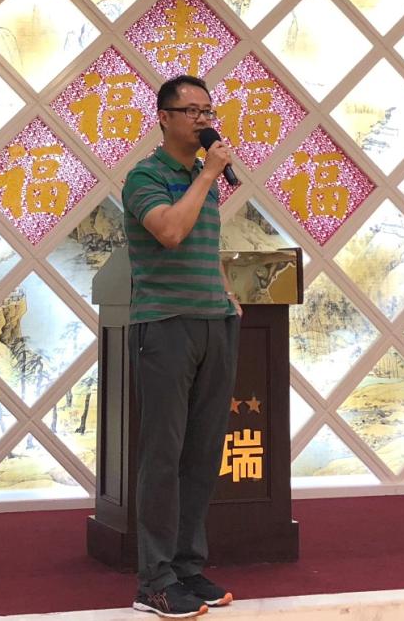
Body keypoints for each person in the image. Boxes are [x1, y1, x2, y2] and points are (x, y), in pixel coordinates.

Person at [121, 74, 243, 618]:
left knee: (202, 453)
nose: (202, 119)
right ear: (164, 118)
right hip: (166, 324)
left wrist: (224, 288)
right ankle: (154, 580)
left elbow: (201, 241)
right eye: (191, 110)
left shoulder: (201, 178)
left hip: (214, 322)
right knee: (163, 455)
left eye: (207, 110)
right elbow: (169, 231)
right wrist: (209, 173)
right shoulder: (145, 176)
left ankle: (188, 567)